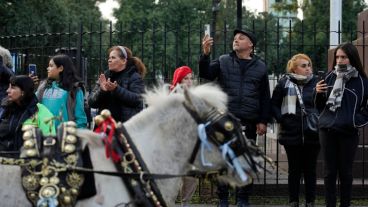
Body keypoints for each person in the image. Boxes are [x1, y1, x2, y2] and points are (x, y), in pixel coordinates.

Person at [199, 29, 271, 207]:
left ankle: (242, 199)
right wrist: (205, 54)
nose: (236, 40)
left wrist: (263, 121)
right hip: (225, 119)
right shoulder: (223, 60)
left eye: (241, 38)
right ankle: (223, 199)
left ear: (251, 45)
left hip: (248, 121)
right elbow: (205, 73)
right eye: (235, 38)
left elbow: (264, 97)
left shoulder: (261, 67)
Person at [315, 43, 368, 207]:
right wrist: (317, 93)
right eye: (337, 57)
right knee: (329, 172)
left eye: (343, 57)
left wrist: (354, 121)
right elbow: (320, 106)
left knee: (346, 173)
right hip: (327, 130)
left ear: (352, 58)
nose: (339, 60)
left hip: (348, 131)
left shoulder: (362, 81)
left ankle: (345, 204)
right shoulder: (330, 76)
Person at [271, 54, 319, 207]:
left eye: (309, 65)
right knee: (294, 169)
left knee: (310, 169)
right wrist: (283, 119)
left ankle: (310, 201)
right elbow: (274, 105)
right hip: (291, 133)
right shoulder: (284, 83)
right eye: (303, 66)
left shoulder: (317, 82)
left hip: (313, 133)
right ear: (294, 68)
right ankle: (293, 201)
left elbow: (323, 105)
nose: (307, 68)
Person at [88, 46, 146, 123]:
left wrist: (116, 89)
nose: (109, 60)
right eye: (109, 58)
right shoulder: (105, 76)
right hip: (104, 127)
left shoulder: (134, 76)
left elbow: (137, 99)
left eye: (113, 58)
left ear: (124, 61)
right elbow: (91, 102)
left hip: (125, 127)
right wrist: (102, 91)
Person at [0, 75, 55, 155]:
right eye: (8, 87)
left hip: (28, 162)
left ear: (23, 92)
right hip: (4, 162)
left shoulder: (41, 111)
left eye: (12, 88)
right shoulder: (5, 109)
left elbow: (49, 141)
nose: (7, 91)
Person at [36, 54, 87, 129]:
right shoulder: (43, 87)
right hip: (44, 135)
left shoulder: (74, 89)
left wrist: (75, 136)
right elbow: (32, 104)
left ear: (60, 68)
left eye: (51, 66)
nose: (47, 68)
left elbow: (80, 118)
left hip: (65, 136)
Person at [170, 66, 196, 207]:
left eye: (191, 78)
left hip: (190, 142)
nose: (189, 81)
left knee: (190, 175)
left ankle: (186, 203)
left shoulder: (195, 97)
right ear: (179, 80)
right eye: (186, 78)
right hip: (174, 142)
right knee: (173, 176)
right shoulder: (172, 97)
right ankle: (170, 201)